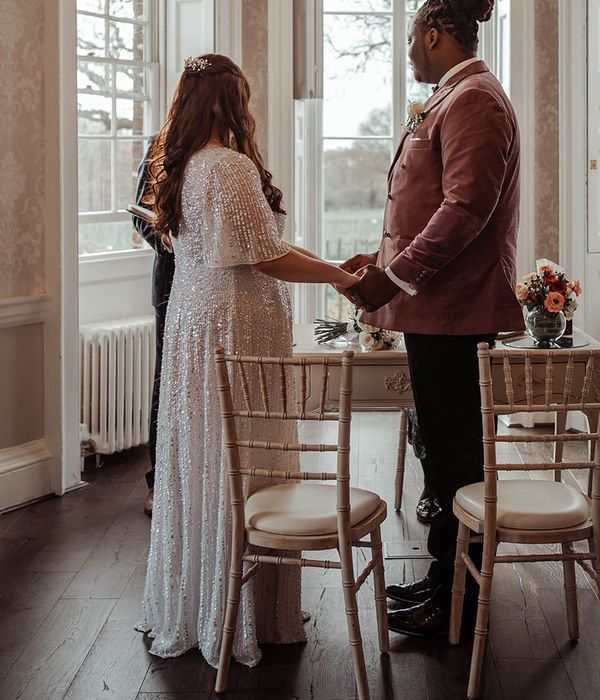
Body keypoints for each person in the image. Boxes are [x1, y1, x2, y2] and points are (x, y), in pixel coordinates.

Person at [137, 54, 359, 668]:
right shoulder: (228, 168)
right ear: (227, 102)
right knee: (246, 456)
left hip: (194, 327)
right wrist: (338, 277)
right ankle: (245, 614)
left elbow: (266, 244)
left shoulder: (178, 168)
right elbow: (265, 260)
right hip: (234, 332)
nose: (249, 111)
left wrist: (332, 267)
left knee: (207, 456)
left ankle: (204, 599)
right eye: (243, 99)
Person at [342, 0, 523, 637]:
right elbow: (431, 203)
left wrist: (395, 276)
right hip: (435, 313)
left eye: (413, 39)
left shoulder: (475, 98)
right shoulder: (457, 95)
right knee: (444, 460)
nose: (409, 51)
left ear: (438, 34)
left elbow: (465, 208)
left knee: (456, 461)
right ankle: (443, 583)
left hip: (453, 312)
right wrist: (383, 256)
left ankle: (459, 604)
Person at [132, 137, 173, 517]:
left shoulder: (235, 145)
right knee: (167, 382)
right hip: (172, 286)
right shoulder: (159, 146)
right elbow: (139, 216)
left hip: (222, 284)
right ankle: (158, 483)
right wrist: (167, 240)